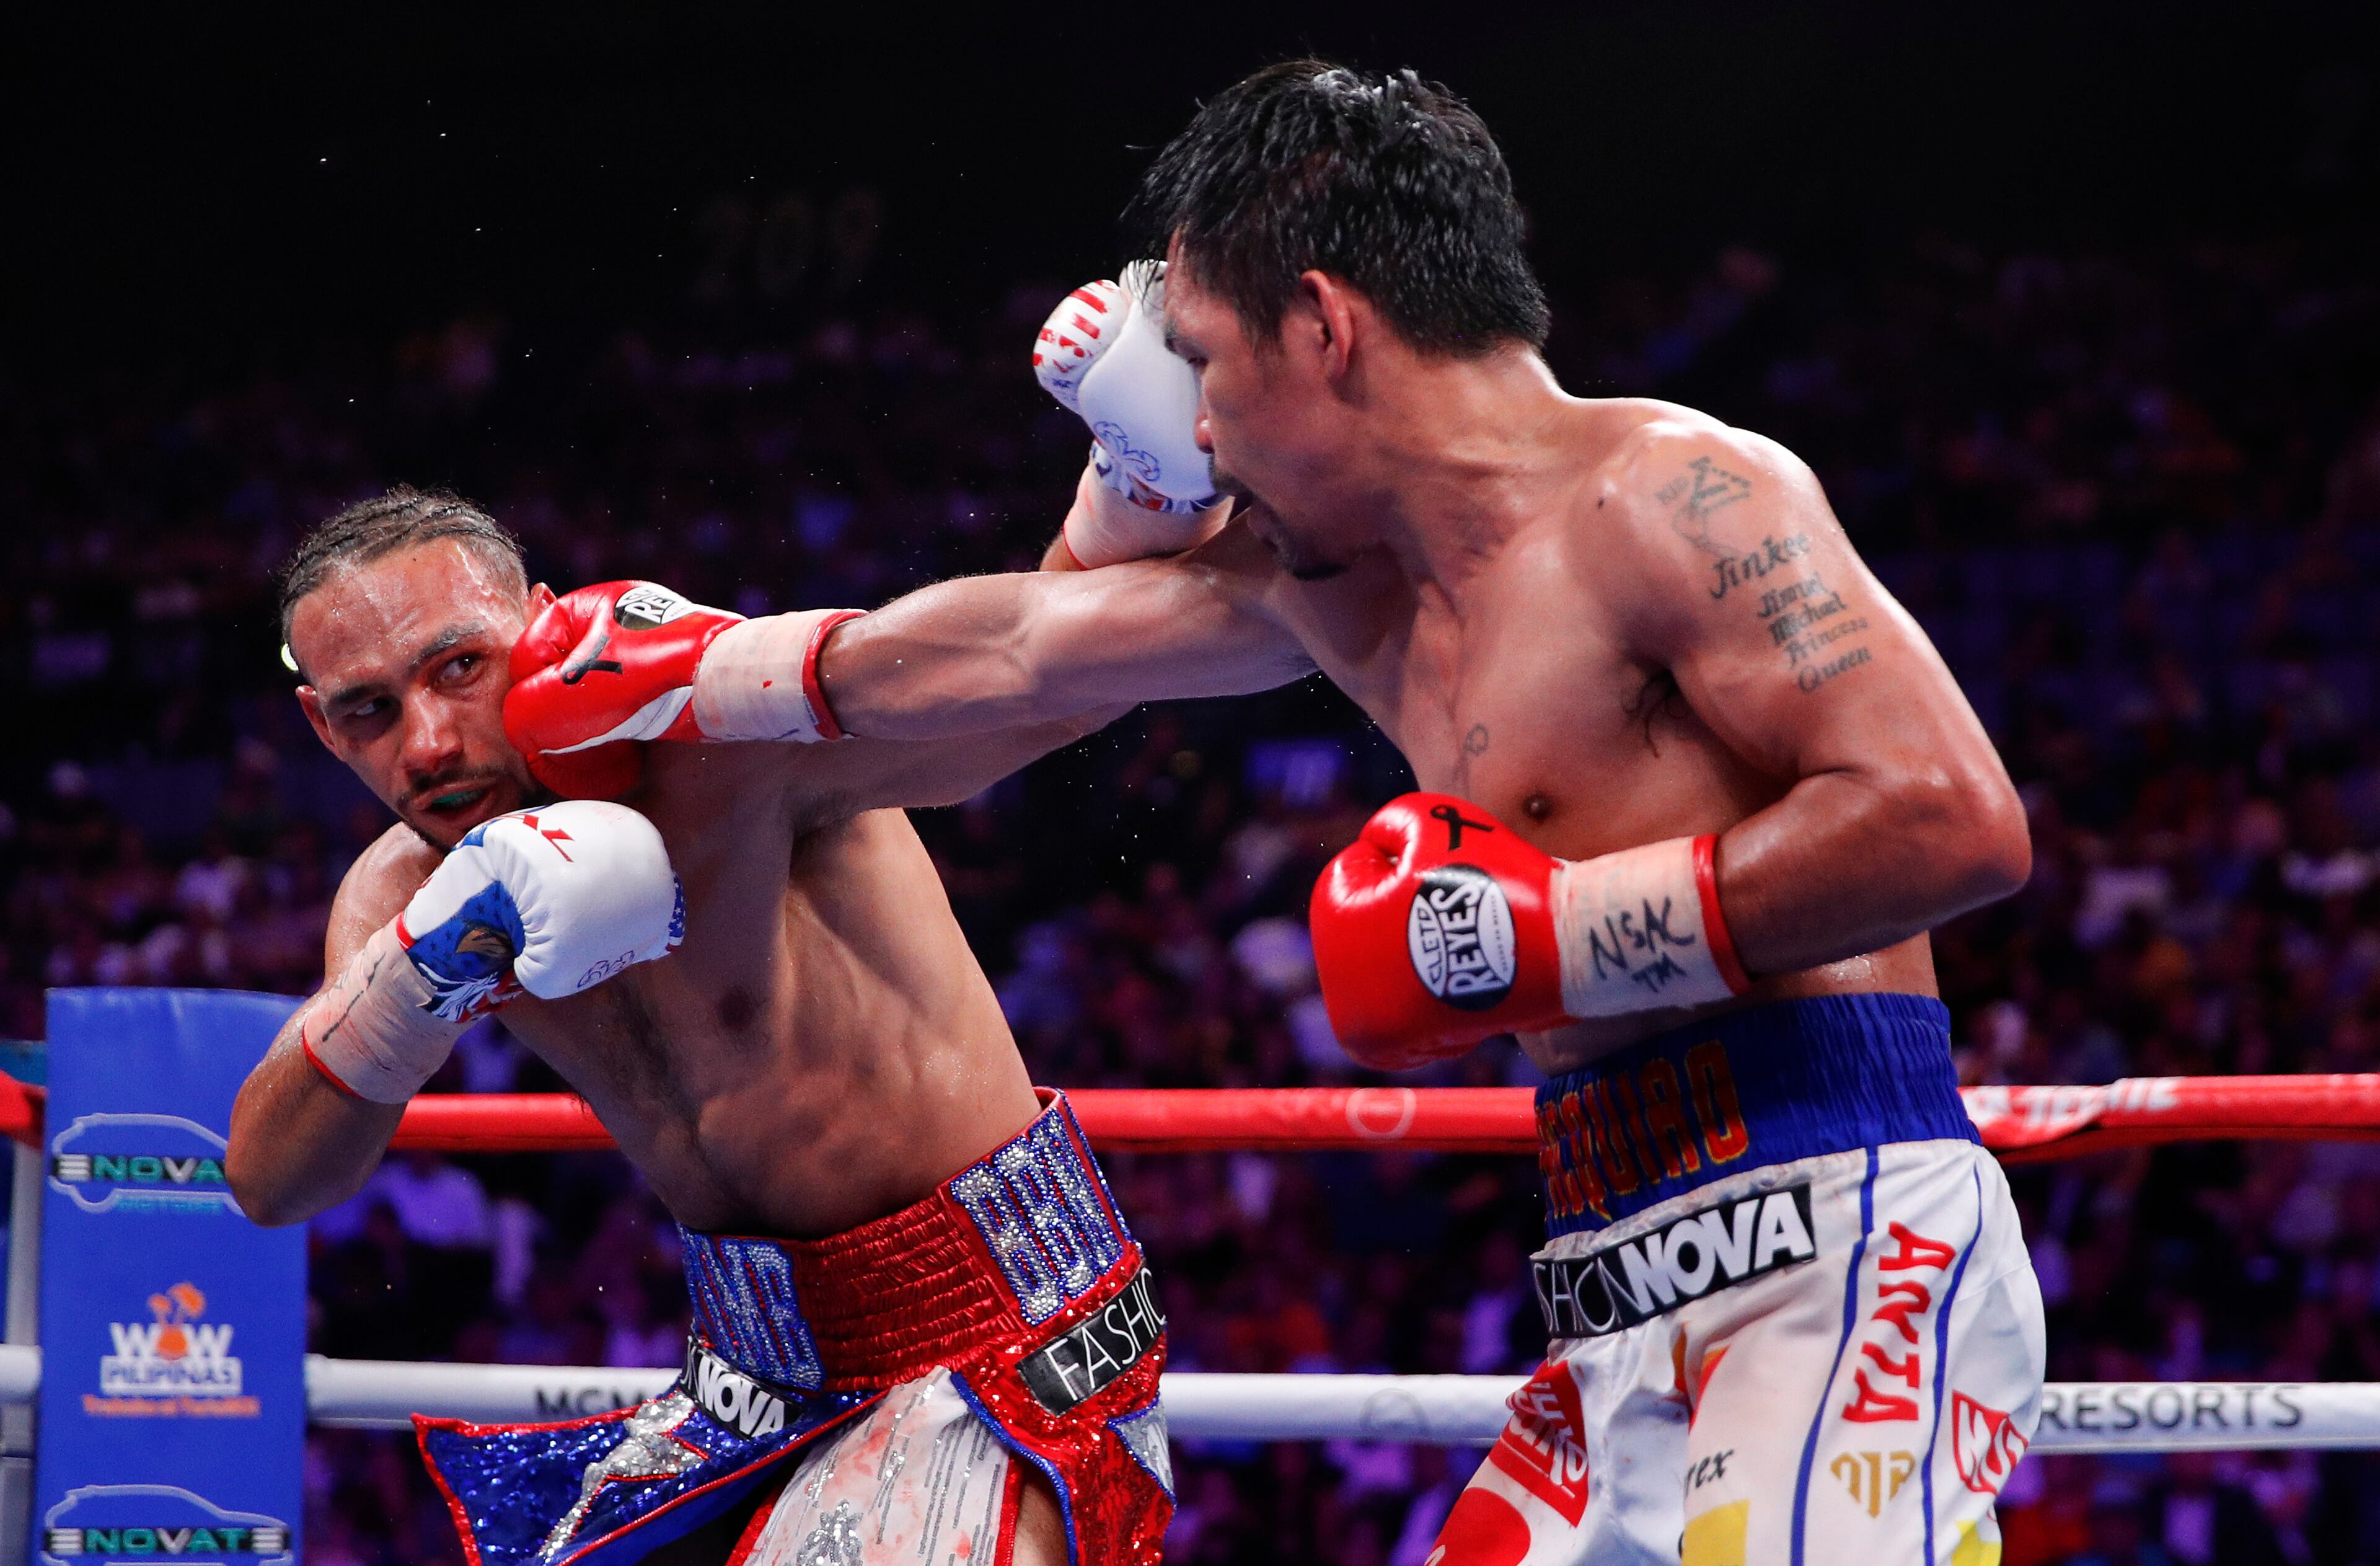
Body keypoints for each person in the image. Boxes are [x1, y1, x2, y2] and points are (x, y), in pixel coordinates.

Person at [664, 61, 2047, 1566]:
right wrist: (684, 674)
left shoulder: (1680, 496)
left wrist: (1553, 936)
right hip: (1614, 1271)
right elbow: (1021, 652)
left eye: (1203, 368)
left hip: (1840, 1231)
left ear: (1324, 327)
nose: (1203, 431)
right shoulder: (1345, 588)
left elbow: (1951, 820)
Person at [226, 490, 1171, 1566]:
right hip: (745, 1376)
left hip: (996, 1323)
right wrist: (414, 979)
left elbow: (1033, 678)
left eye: (459, 669)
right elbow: (270, 1182)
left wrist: (1134, 501)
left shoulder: (712, 744)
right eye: (370, 711)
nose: (429, 743)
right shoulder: (407, 895)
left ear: (536, 624)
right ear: (320, 726)